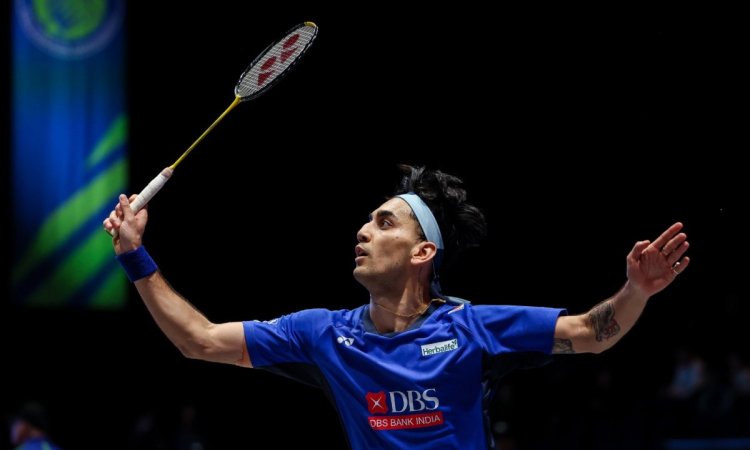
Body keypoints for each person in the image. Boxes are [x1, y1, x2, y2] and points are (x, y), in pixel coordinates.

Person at [103, 164, 690, 449]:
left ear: (422, 251)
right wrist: (134, 256)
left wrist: (636, 290)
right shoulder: (322, 334)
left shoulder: (473, 328)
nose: (362, 231)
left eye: (384, 223)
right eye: (366, 221)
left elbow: (590, 332)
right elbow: (199, 340)